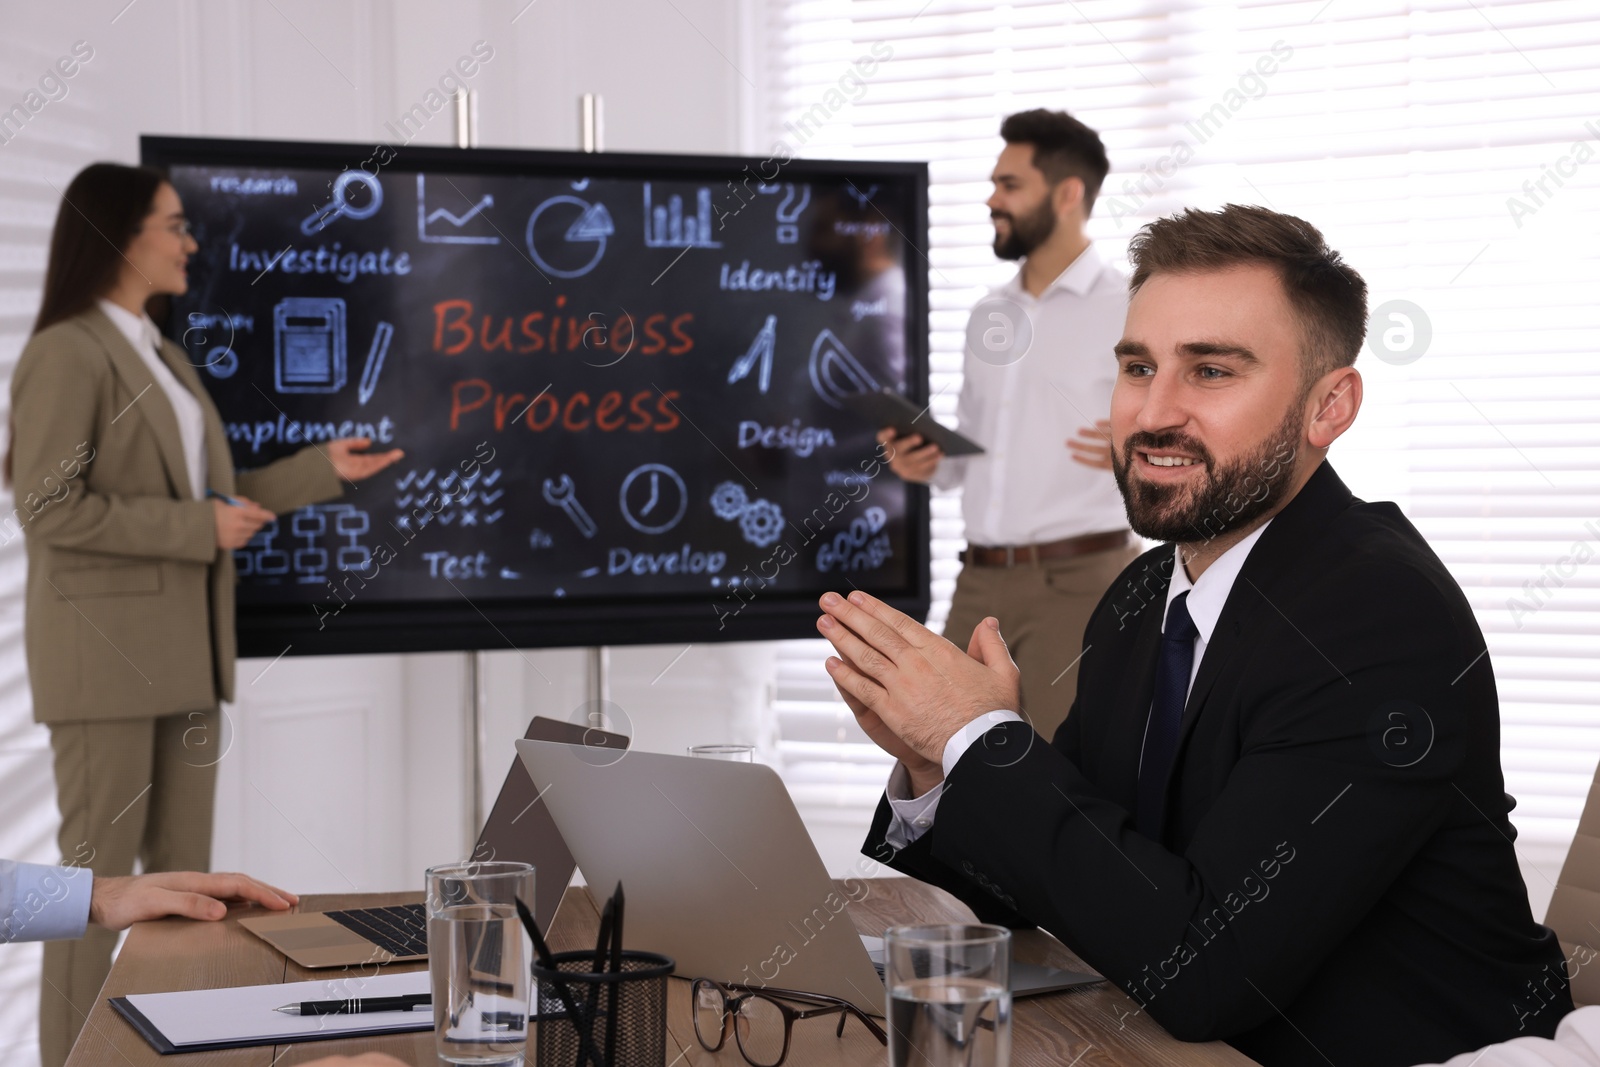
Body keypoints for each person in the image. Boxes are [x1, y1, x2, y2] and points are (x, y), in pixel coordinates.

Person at [817, 204, 1572, 1066]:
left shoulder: (1378, 614)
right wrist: (934, 757)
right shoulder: (1147, 590)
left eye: (1211, 371)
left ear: (1331, 406)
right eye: (1138, 366)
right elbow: (1075, 879)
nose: (1154, 411)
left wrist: (978, 739)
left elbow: (1207, 969)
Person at [7, 162, 403, 1067]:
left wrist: (319, 471)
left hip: (189, 658)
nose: (191, 242)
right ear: (118, 234)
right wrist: (197, 525)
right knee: (88, 895)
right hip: (105, 666)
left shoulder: (161, 353)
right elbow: (48, 507)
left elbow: (214, 495)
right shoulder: (68, 350)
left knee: (185, 895)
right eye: (174, 225)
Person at [878, 109, 1138, 741]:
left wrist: (1135, 446)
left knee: (1058, 771)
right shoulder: (989, 313)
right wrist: (929, 461)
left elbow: (1182, 427)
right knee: (932, 753)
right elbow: (976, 444)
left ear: (1068, 193)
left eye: (1010, 184)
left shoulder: (1132, 306)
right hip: (980, 582)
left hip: (1078, 582)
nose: (992, 199)